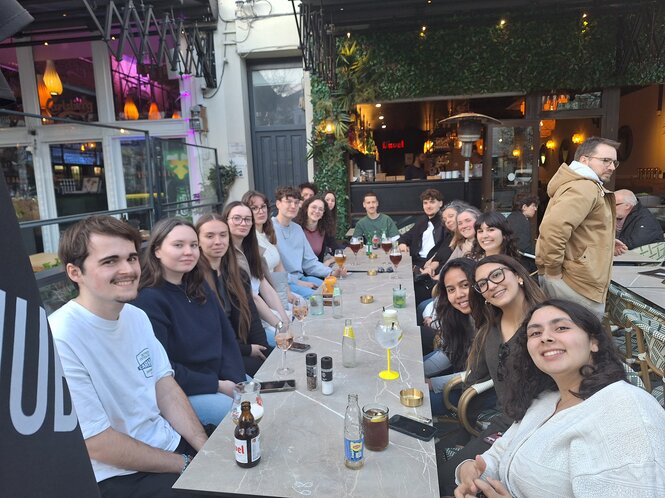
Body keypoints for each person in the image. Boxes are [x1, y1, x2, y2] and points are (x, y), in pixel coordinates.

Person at [49, 215, 208, 497]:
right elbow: (97, 442)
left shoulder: (136, 316)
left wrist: (205, 449)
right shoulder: (59, 336)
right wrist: (185, 464)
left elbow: (164, 386)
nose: (128, 270)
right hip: (120, 476)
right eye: (110, 261)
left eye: (132, 258)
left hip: (168, 445)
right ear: (75, 272)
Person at [455, 299, 665, 498]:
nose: (545, 337)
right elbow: (501, 452)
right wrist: (471, 471)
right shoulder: (546, 398)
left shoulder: (626, 411)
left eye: (561, 328)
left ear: (593, 342)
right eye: (535, 333)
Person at [437, 254, 545, 496]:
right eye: (483, 284)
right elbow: (473, 378)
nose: (492, 285)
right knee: (441, 470)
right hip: (506, 422)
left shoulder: (545, 324)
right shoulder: (490, 329)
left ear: (518, 276)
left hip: (536, 428)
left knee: (447, 482)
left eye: (497, 275)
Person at [133, 218, 246, 426]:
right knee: (240, 418)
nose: (189, 252)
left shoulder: (199, 286)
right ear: (157, 250)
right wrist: (218, 385)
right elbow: (162, 369)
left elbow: (226, 338)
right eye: (178, 245)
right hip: (183, 391)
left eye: (193, 245)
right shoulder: (148, 300)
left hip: (220, 379)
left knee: (266, 399)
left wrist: (236, 381)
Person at [535, 136, 619, 319]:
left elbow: (580, 227)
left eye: (614, 162)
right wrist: (553, 271)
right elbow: (553, 229)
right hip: (575, 283)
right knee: (580, 335)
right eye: (606, 160)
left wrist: (606, 239)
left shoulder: (584, 185)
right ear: (584, 160)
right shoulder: (584, 187)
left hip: (574, 281)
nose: (612, 167)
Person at [196, 213, 273, 376]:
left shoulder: (237, 275)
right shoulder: (194, 281)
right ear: (198, 242)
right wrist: (247, 349)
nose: (218, 241)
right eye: (209, 236)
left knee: (281, 360)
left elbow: (252, 317)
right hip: (220, 356)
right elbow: (209, 336)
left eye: (223, 235)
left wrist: (264, 348)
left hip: (241, 345)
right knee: (265, 374)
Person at [221, 201, 291, 345]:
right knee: (285, 345)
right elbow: (253, 297)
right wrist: (279, 325)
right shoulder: (225, 255)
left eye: (247, 219)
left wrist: (285, 320)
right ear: (226, 221)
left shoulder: (252, 250)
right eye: (237, 218)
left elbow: (266, 288)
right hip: (248, 323)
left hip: (264, 315)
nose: (243, 223)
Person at [424, 258, 478, 415]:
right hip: (459, 378)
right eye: (451, 289)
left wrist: (432, 383)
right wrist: (416, 372)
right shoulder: (459, 316)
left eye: (465, 285)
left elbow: (480, 375)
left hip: (478, 392)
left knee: (414, 402)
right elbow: (450, 353)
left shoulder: (491, 322)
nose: (459, 295)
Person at [272, 185, 345, 297]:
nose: (293, 206)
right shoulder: (269, 228)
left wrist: (331, 272)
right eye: (288, 202)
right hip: (285, 283)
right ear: (278, 204)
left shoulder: (297, 229)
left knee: (338, 290)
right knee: (321, 298)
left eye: (296, 202)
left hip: (301, 277)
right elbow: (271, 269)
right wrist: (297, 282)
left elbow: (310, 262)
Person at [398, 188, 446, 268]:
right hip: (416, 261)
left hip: (435, 264)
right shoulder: (422, 221)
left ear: (440, 203)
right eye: (425, 203)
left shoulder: (445, 223)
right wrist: (402, 243)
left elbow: (446, 248)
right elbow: (407, 236)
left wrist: (433, 261)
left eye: (432, 202)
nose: (428, 206)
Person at [294, 195, 337, 265]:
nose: (317, 211)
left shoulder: (324, 230)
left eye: (320, 209)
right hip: (297, 270)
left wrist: (328, 262)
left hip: (316, 269)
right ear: (307, 208)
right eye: (314, 207)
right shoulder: (296, 228)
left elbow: (338, 252)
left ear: (323, 213)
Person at [505, 192, 538, 257]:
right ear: (524, 207)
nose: (535, 209)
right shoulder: (522, 222)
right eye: (533, 205)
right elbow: (524, 248)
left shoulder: (511, 217)